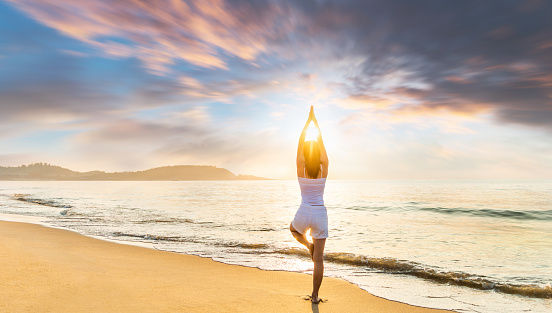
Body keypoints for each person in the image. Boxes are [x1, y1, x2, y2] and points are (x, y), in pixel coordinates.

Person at [289, 105, 329, 304]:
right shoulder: (324, 168)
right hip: (320, 213)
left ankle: (308, 245)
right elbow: (320, 141)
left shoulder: (300, 168)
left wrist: (308, 121)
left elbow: (300, 142)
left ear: (305, 154)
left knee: (293, 230)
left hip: (305, 210)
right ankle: (315, 296)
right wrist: (316, 123)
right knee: (319, 260)